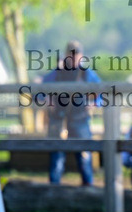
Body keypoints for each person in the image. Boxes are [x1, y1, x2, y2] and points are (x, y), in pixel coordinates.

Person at [42, 41, 100, 186]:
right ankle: (54, 188)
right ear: (66, 54)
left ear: (81, 55)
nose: (74, 57)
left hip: (80, 120)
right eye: (71, 54)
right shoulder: (57, 72)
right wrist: (47, 99)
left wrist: (94, 103)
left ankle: (89, 188)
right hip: (59, 120)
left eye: (76, 54)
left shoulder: (87, 73)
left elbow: (102, 91)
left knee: (85, 158)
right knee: (57, 158)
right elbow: (40, 90)